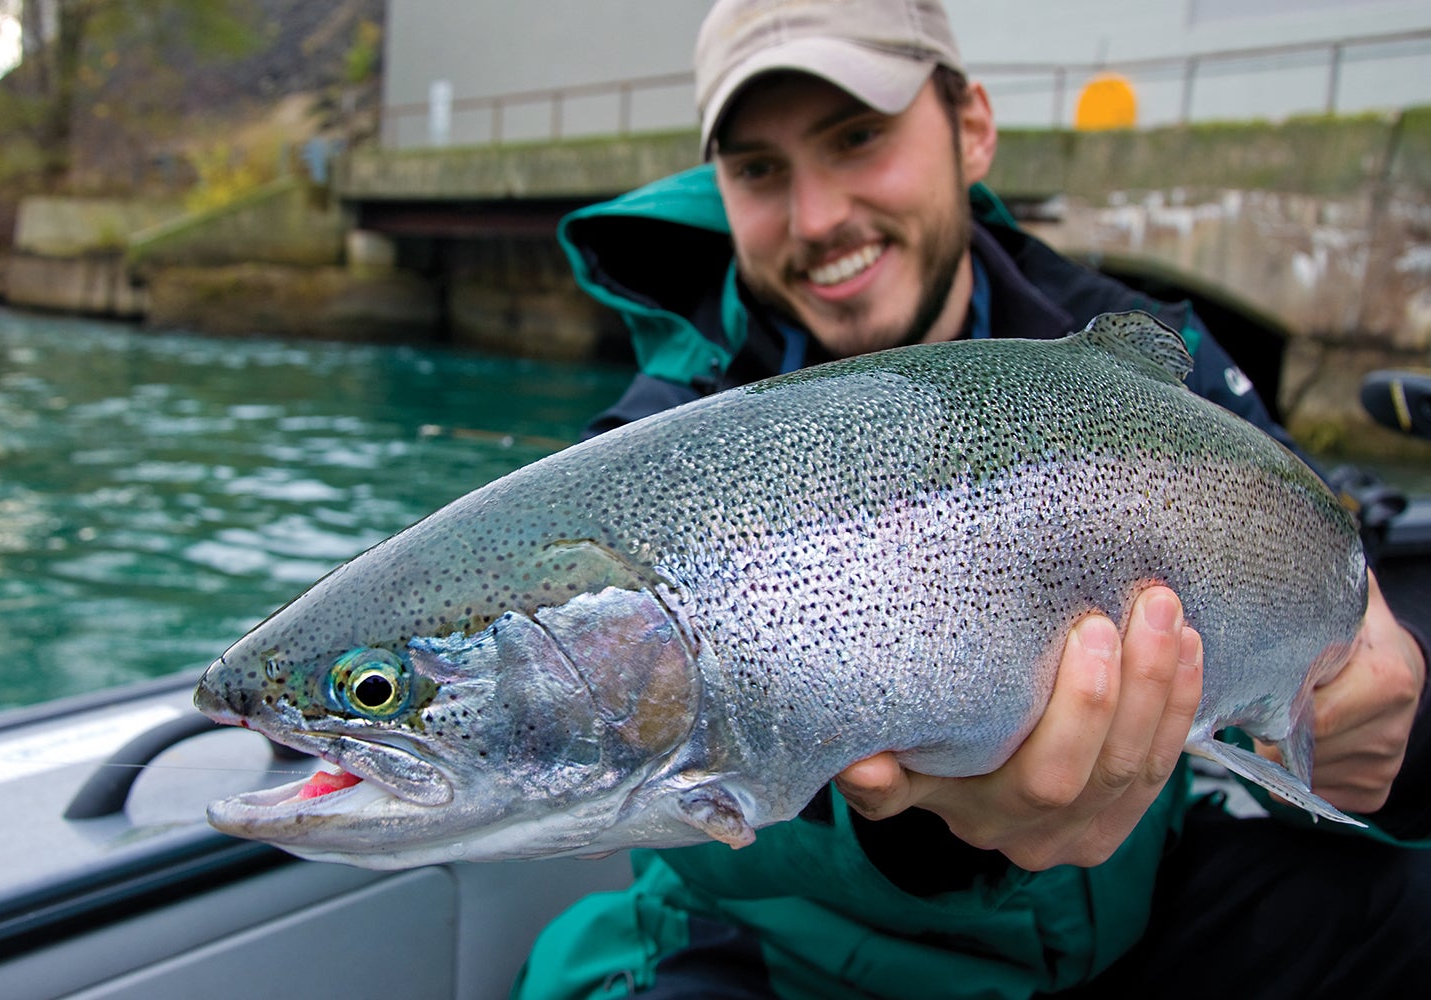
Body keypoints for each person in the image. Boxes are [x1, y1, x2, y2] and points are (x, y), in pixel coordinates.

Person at [513, 2, 1431, 997]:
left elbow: (1327, 565)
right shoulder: (645, 459)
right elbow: (665, 798)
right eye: (759, 169)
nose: (818, 217)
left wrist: (1390, 713)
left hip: (1135, 913)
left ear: (973, 127)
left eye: (858, 137)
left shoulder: (1147, 357)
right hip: (790, 957)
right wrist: (929, 837)